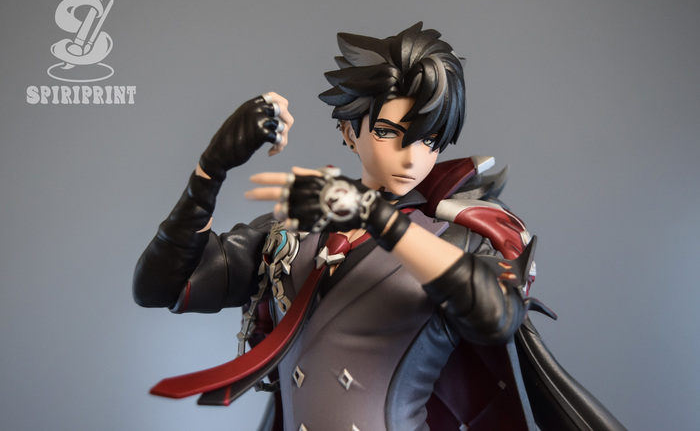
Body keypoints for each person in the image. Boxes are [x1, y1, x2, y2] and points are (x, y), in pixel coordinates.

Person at [134, 23, 624, 431]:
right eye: (390, 133)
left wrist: (373, 214)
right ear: (351, 131)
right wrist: (211, 169)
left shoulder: (459, 233)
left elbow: (498, 314)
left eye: (430, 139)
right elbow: (162, 287)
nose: (412, 158)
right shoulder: (295, 227)